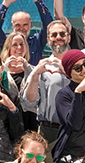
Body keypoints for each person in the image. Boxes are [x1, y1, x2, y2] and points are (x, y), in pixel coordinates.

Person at [23, 20, 73, 148]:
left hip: (76, 131)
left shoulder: (81, 63)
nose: (58, 38)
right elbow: (29, 101)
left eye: (62, 34)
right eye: (54, 35)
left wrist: (68, 73)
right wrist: (34, 76)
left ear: (69, 37)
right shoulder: (41, 67)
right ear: (48, 39)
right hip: (49, 131)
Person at [0, 0, 54, 64]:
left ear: (30, 25)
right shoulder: (6, 41)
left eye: (25, 25)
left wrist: (37, 0)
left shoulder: (37, 41)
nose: (21, 28)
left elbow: (49, 24)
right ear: (12, 25)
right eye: (17, 25)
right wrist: (5, 3)